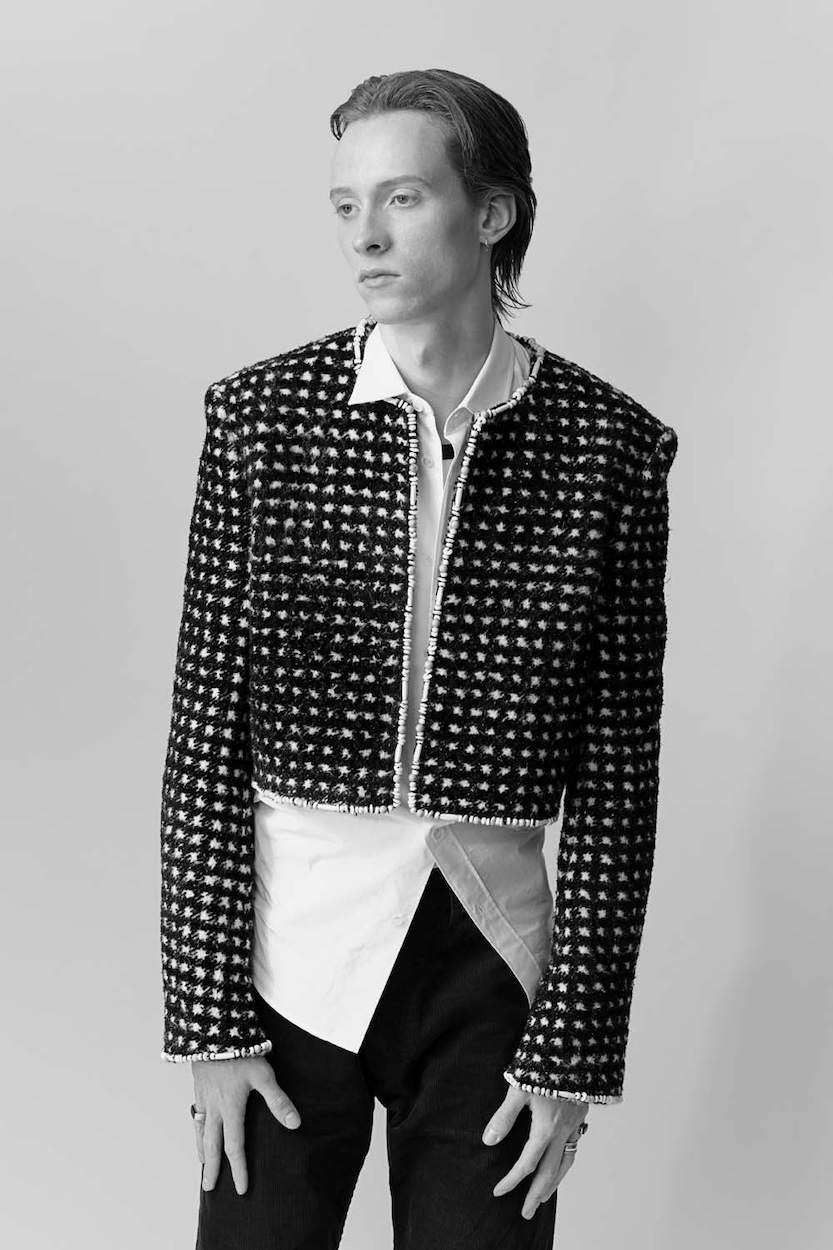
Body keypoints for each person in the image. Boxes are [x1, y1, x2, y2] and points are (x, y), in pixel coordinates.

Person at [159, 68, 679, 1248]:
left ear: (490, 212)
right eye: (345, 205)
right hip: (290, 950)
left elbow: (616, 770)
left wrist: (574, 1045)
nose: (364, 236)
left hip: (490, 960)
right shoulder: (261, 420)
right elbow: (203, 735)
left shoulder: (608, 449)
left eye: (400, 198)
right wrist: (208, 1021)